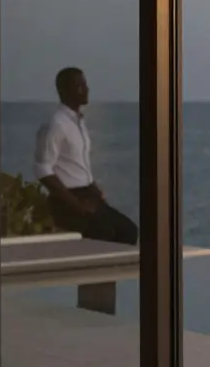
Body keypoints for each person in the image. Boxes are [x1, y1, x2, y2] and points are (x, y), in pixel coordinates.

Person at [33, 67, 138, 246]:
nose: (86, 89)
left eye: (85, 84)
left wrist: (94, 187)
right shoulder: (56, 124)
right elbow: (42, 170)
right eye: (79, 86)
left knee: (128, 231)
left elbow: (77, 164)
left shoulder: (78, 122)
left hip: (88, 193)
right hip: (68, 199)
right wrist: (76, 205)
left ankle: (109, 274)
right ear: (64, 90)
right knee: (104, 235)